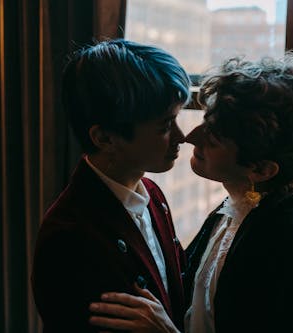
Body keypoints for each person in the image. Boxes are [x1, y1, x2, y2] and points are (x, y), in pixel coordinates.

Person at [88, 52, 293, 333]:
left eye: (215, 137)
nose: (191, 135)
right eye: (206, 120)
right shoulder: (235, 212)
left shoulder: (282, 254)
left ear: (261, 169)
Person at [31, 39, 191, 333]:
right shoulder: (69, 237)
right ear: (105, 138)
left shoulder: (154, 195)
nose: (182, 137)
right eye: (166, 126)